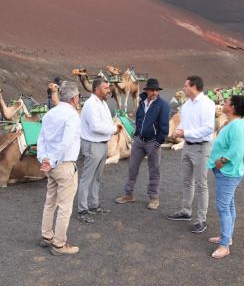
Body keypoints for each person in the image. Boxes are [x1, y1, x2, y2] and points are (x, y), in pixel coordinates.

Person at [37, 81, 81, 256]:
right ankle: (59, 245)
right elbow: (66, 142)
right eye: (78, 97)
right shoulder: (72, 116)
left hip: (51, 166)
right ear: (74, 98)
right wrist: (53, 160)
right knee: (64, 207)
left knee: (50, 203)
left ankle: (47, 236)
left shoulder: (49, 114)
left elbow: (41, 140)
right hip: (63, 165)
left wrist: (44, 159)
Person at [167, 76, 215, 234]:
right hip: (187, 146)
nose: (183, 89)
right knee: (187, 181)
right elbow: (183, 123)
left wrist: (185, 132)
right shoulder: (186, 105)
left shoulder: (208, 104)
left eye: (185, 86)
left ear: (194, 87)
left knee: (201, 184)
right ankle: (186, 211)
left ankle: (201, 219)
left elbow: (208, 128)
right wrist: (178, 131)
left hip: (202, 148)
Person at [115, 78, 169, 210]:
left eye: (156, 90)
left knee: (154, 170)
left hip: (153, 142)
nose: (155, 92)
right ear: (148, 90)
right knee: (132, 168)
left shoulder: (163, 105)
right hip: (139, 140)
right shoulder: (142, 102)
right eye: (152, 90)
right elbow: (139, 119)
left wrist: (158, 141)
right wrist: (136, 133)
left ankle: (154, 198)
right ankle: (129, 194)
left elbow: (164, 126)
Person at [207, 95, 244, 259]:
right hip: (226, 172)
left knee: (223, 207)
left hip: (228, 173)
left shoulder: (237, 126)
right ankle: (227, 237)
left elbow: (237, 150)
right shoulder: (233, 124)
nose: (223, 104)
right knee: (229, 205)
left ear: (232, 107)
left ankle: (224, 246)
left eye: (226, 102)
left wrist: (221, 161)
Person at [77, 78, 119, 224]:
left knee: (97, 177)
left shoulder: (103, 103)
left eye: (108, 88)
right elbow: (95, 126)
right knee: (87, 178)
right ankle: (82, 210)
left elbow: (105, 123)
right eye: (105, 88)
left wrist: (111, 129)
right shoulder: (90, 105)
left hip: (102, 144)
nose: (108, 90)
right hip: (92, 145)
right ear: (96, 89)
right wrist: (114, 129)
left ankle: (94, 205)